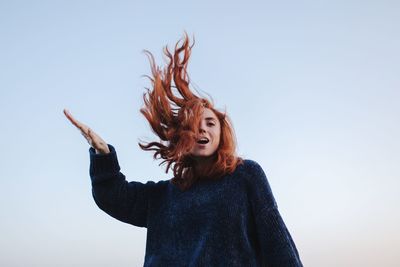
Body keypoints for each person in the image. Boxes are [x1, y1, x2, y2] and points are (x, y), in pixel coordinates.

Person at [63, 33, 303, 266]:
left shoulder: (245, 175)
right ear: (181, 136)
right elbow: (113, 197)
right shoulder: (164, 196)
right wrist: (103, 154)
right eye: (193, 125)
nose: (202, 131)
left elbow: (277, 242)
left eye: (210, 123)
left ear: (222, 134)